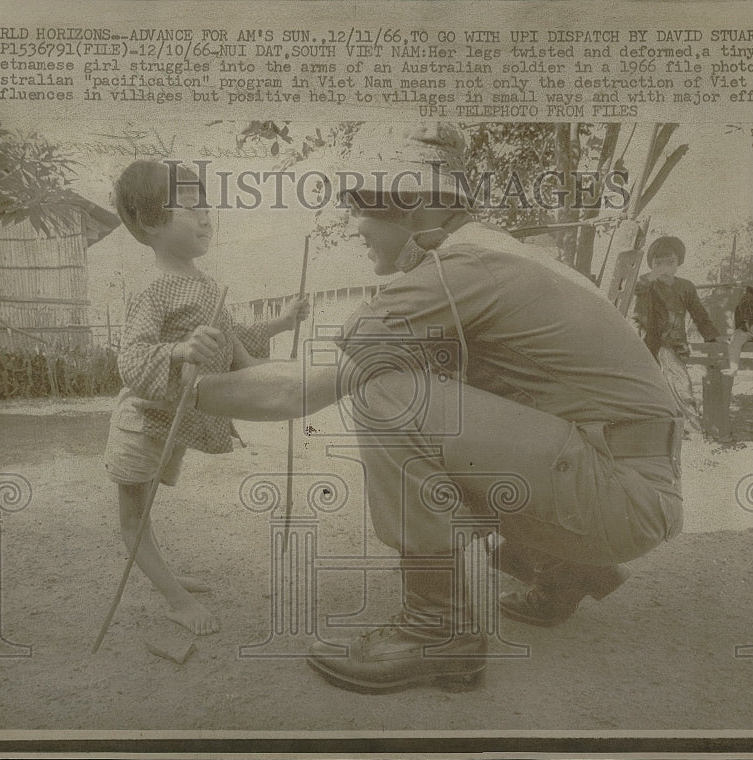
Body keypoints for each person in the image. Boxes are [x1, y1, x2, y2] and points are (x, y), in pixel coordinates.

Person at [190, 123, 684, 693]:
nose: (356, 224)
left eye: (367, 203)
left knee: (391, 395)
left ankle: (435, 628)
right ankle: (564, 569)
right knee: (433, 389)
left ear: (417, 207)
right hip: (633, 483)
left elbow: (302, 391)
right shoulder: (495, 252)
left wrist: (183, 389)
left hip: (620, 496)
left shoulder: (453, 272)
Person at [102, 160, 308, 635]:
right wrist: (179, 350)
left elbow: (239, 352)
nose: (206, 217)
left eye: (207, 206)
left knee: (144, 513)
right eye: (190, 207)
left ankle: (167, 578)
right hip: (142, 422)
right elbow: (131, 360)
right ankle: (176, 601)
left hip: (175, 425)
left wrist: (283, 324)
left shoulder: (209, 285)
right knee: (133, 520)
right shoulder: (150, 289)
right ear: (150, 223)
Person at [633, 236, 720, 432]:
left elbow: (699, 314)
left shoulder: (685, 287)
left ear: (678, 262)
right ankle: (667, 428)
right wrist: (653, 274)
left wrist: (712, 336)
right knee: (651, 386)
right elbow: (638, 287)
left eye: (670, 262)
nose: (664, 267)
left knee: (682, 386)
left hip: (675, 344)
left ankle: (691, 428)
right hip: (649, 343)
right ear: (651, 265)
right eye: (658, 263)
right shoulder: (648, 284)